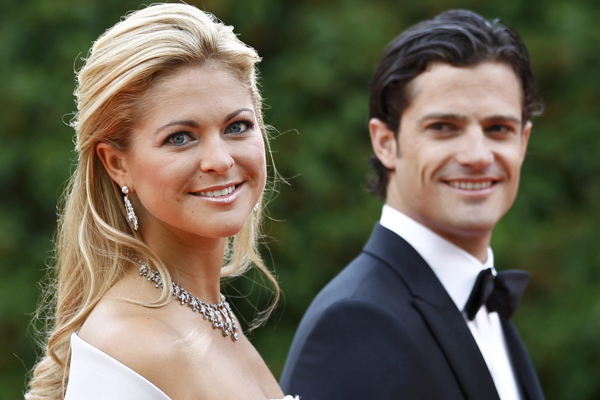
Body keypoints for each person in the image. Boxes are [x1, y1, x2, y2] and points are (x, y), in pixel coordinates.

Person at [26, 4, 296, 400]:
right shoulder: (135, 341)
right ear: (117, 163)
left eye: (237, 126)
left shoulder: (206, 313)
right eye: (181, 137)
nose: (220, 160)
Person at [280, 9, 545, 400]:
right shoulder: (355, 323)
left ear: (522, 142)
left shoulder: (485, 305)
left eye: (498, 129)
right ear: (385, 142)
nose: (477, 154)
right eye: (443, 128)